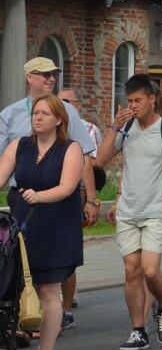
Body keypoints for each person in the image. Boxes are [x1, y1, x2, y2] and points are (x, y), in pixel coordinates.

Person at [97, 74, 162, 350]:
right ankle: (138, 330)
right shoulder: (126, 129)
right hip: (128, 212)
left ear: (152, 99)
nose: (133, 106)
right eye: (129, 101)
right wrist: (114, 127)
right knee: (131, 271)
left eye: (138, 100)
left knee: (150, 270)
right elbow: (99, 162)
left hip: (157, 212)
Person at [0, 93, 85, 350]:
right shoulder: (19, 145)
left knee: (49, 291)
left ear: (59, 119)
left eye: (45, 113)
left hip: (57, 225)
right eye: (36, 112)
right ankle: (15, 339)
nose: (38, 117)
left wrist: (39, 196)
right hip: (23, 223)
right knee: (18, 287)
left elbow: (68, 187)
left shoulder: (70, 148)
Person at [0, 57, 98, 225]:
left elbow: (85, 158)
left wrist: (90, 199)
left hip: (60, 196)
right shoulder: (10, 114)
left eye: (54, 74)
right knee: (23, 248)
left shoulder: (67, 111)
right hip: (22, 195)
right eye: (46, 74)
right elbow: (3, 160)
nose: (52, 79)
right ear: (29, 77)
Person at [57, 87, 104, 329]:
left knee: (67, 253)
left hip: (75, 193)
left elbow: (93, 161)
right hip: (49, 195)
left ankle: (65, 305)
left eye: (67, 101)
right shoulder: (50, 127)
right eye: (59, 101)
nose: (62, 104)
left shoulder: (88, 129)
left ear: (77, 105)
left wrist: (90, 199)